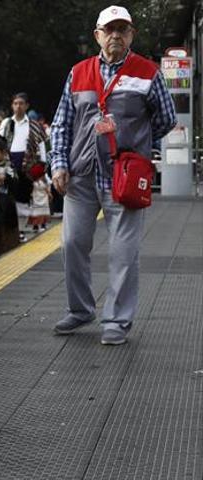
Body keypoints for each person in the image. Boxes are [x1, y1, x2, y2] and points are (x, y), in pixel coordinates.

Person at [50, 5, 176, 345]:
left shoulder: (148, 73)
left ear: (131, 35)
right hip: (81, 173)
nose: (116, 35)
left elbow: (165, 119)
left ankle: (117, 321)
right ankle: (80, 309)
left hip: (124, 177)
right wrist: (59, 163)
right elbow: (62, 123)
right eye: (110, 30)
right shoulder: (78, 72)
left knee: (123, 252)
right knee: (72, 243)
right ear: (98, 35)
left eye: (123, 29)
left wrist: (135, 146)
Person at [0, 92, 48, 240]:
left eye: (21, 103)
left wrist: (42, 166)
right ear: (12, 106)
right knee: (8, 197)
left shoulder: (34, 125)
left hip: (27, 165)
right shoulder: (7, 123)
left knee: (23, 199)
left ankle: (20, 230)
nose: (18, 106)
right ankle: (11, 230)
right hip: (9, 162)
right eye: (15, 103)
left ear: (27, 106)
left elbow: (42, 145)